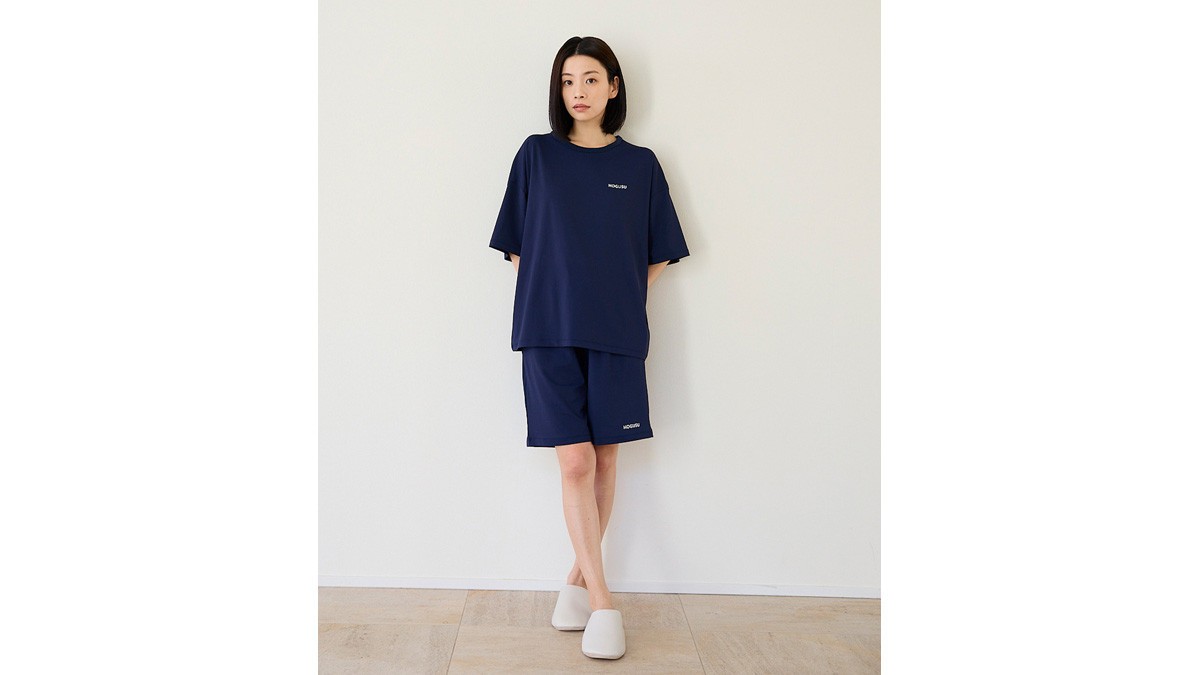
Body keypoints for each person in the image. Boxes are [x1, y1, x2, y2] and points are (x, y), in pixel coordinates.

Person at [489, 36, 690, 661]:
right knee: (574, 462)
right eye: (568, 81)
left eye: (591, 79)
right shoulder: (536, 155)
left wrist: (617, 298)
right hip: (548, 330)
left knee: (604, 461)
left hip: (618, 335)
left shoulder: (642, 165)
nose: (578, 92)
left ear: (613, 86)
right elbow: (517, 247)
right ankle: (603, 601)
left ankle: (576, 585)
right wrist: (558, 294)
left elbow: (659, 254)